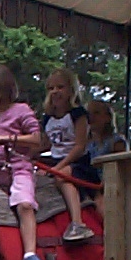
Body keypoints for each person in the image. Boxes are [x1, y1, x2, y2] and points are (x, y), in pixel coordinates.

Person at [0, 65, 53, 260]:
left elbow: (36, 139)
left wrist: (5, 139)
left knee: (24, 204)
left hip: (19, 167)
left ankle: (30, 254)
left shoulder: (21, 110)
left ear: (3, 87)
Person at [36, 67, 93, 243]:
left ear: (71, 90)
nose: (55, 92)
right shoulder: (48, 118)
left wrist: (57, 168)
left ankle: (78, 222)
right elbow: (46, 144)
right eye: (51, 88)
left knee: (61, 178)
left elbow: (80, 146)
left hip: (78, 162)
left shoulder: (78, 115)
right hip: (55, 160)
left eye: (60, 87)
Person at [79, 99, 127, 221]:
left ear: (108, 118)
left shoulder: (116, 142)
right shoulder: (87, 144)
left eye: (96, 113)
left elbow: (122, 166)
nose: (91, 117)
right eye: (89, 114)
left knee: (102, 203)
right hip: (89, 183)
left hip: (109, 185)